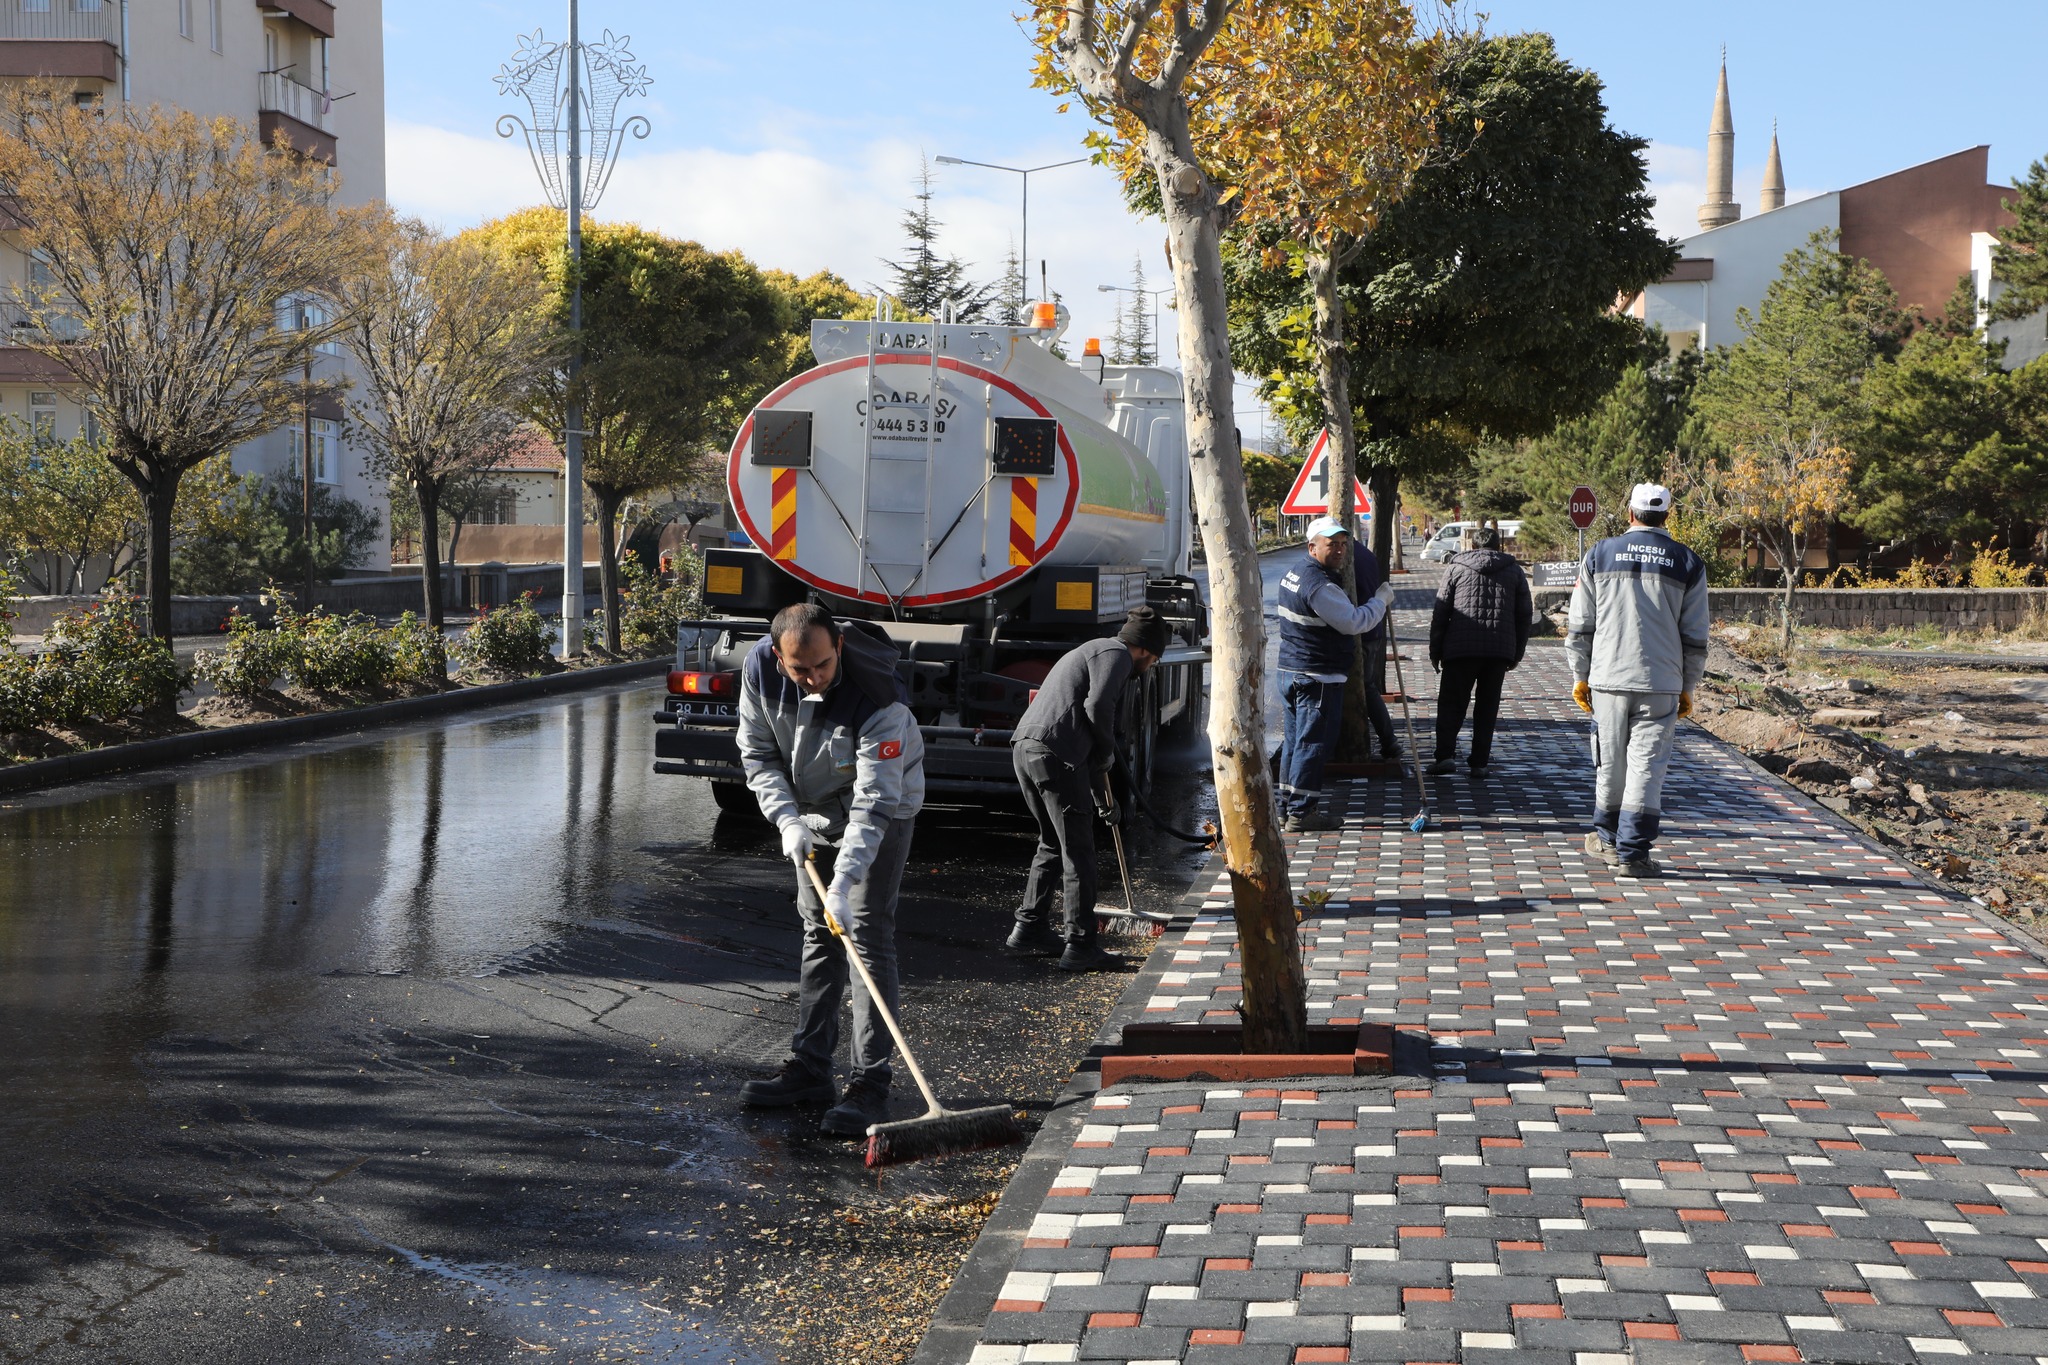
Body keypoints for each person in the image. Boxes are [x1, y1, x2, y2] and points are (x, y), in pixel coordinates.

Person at [735, 603, 926, 1138]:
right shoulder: (758, 674)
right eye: (800, 669)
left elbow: (874, 801)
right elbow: (758, 754)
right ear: (778, 658)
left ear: (837, 647)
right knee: (819, 931)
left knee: (864, 932)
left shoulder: (877, 698)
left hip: (881, 807)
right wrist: (787, 819)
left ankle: (870, 1082)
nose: (813, 678)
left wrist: (844, 881)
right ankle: (811, 1069)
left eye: (821, 665)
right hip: (811, 807)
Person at [1005, 606, 1170, 972]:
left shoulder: (1092, 651)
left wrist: (1101, 798)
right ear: (1144, 648)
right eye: (1155, 657)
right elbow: (1097, 708)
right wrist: (1110, 751)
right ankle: (1080, 944)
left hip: (1028, 748)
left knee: (1052, 842)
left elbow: (1086, 744)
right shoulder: (1116, 657)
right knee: (1079, 851)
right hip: (1054, 754)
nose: (1152, 665)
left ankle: (1028, 927)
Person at [1565, 483, 1709, 878]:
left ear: (1630, 513)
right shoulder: (1688, 563)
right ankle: (1633, 853)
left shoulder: (1599, 554)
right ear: (1668, 514)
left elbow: (1580, 626)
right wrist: (1687, 687)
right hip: (1661, 681)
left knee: (1609, 763)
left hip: (1608, 679)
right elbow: (1695, 638)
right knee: (1646, 767)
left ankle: (1609, 842)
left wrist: (1581, 675)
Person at [1276, 516, 1398, 833]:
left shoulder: (1295, 573)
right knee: (1312, 745)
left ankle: (1285, 806)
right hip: (1317, 675)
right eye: (1332, 544)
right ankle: (1301, 813)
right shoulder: (1319, 585)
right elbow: (1354, 622)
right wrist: (1380, 601)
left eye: (1343, 544)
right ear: (1312, 547)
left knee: (1295, 743)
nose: (1340, 550)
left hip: (1293, 670)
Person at [1427, 525, 1532, 777]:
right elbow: (1524, 615)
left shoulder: (1456, 568)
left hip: (1459, 649)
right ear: (1499, 546)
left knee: (1451, 703)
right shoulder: (1514, 572)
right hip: (1498, 651)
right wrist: (1517, 651)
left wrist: (1435, 650)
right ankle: (1479, 762)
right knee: (1487, 706)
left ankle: (1445, 756)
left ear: (1471, 545)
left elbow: (1441, 612)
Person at [1351, 534, 1403, 763]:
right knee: (1367, 687)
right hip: (1371, 631)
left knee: (1363, 687)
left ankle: (1388, 741)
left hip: (1358, 631)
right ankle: (1388, 741)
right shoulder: (1365, 554)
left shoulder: (1344, 557)